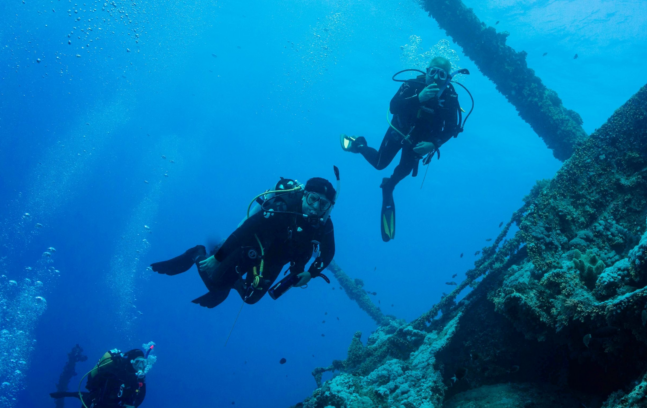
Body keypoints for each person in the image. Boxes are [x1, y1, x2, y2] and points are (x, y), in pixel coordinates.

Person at [150, 174, 338, 308]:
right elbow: (246, 229)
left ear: (328, 207)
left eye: (323, 204)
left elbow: (328, 252)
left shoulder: (324, 225)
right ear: (305, 194)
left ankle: (229, 280)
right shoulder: (282, 208)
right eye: (313, 199)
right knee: (216, 284)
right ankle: (197, 254)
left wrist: (311, 273)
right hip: (251, 247)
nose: (315, 207)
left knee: (250, 299)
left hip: (275, 259)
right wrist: (218, 257)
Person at [341, 57, 464, 242]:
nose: (436, 77)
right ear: (427, 71)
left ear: (447, 77)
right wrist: (418, 98)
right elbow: (393, 107)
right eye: (432, 72)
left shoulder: (450, 97)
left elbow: (452, 129)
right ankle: (359, 145)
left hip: (420, 143)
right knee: (380, 164)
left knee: (403, 171)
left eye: (442, 74)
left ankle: (389, 185)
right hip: (399, 131)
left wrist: (433, 144)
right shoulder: (412, 85)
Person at [50, 343, 155, 408]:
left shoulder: (137, 378)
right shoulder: (115, 370)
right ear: (131, 361)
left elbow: (138, 400)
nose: (140, 367)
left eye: (143, 363)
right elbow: (105, 397)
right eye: (138, 362)